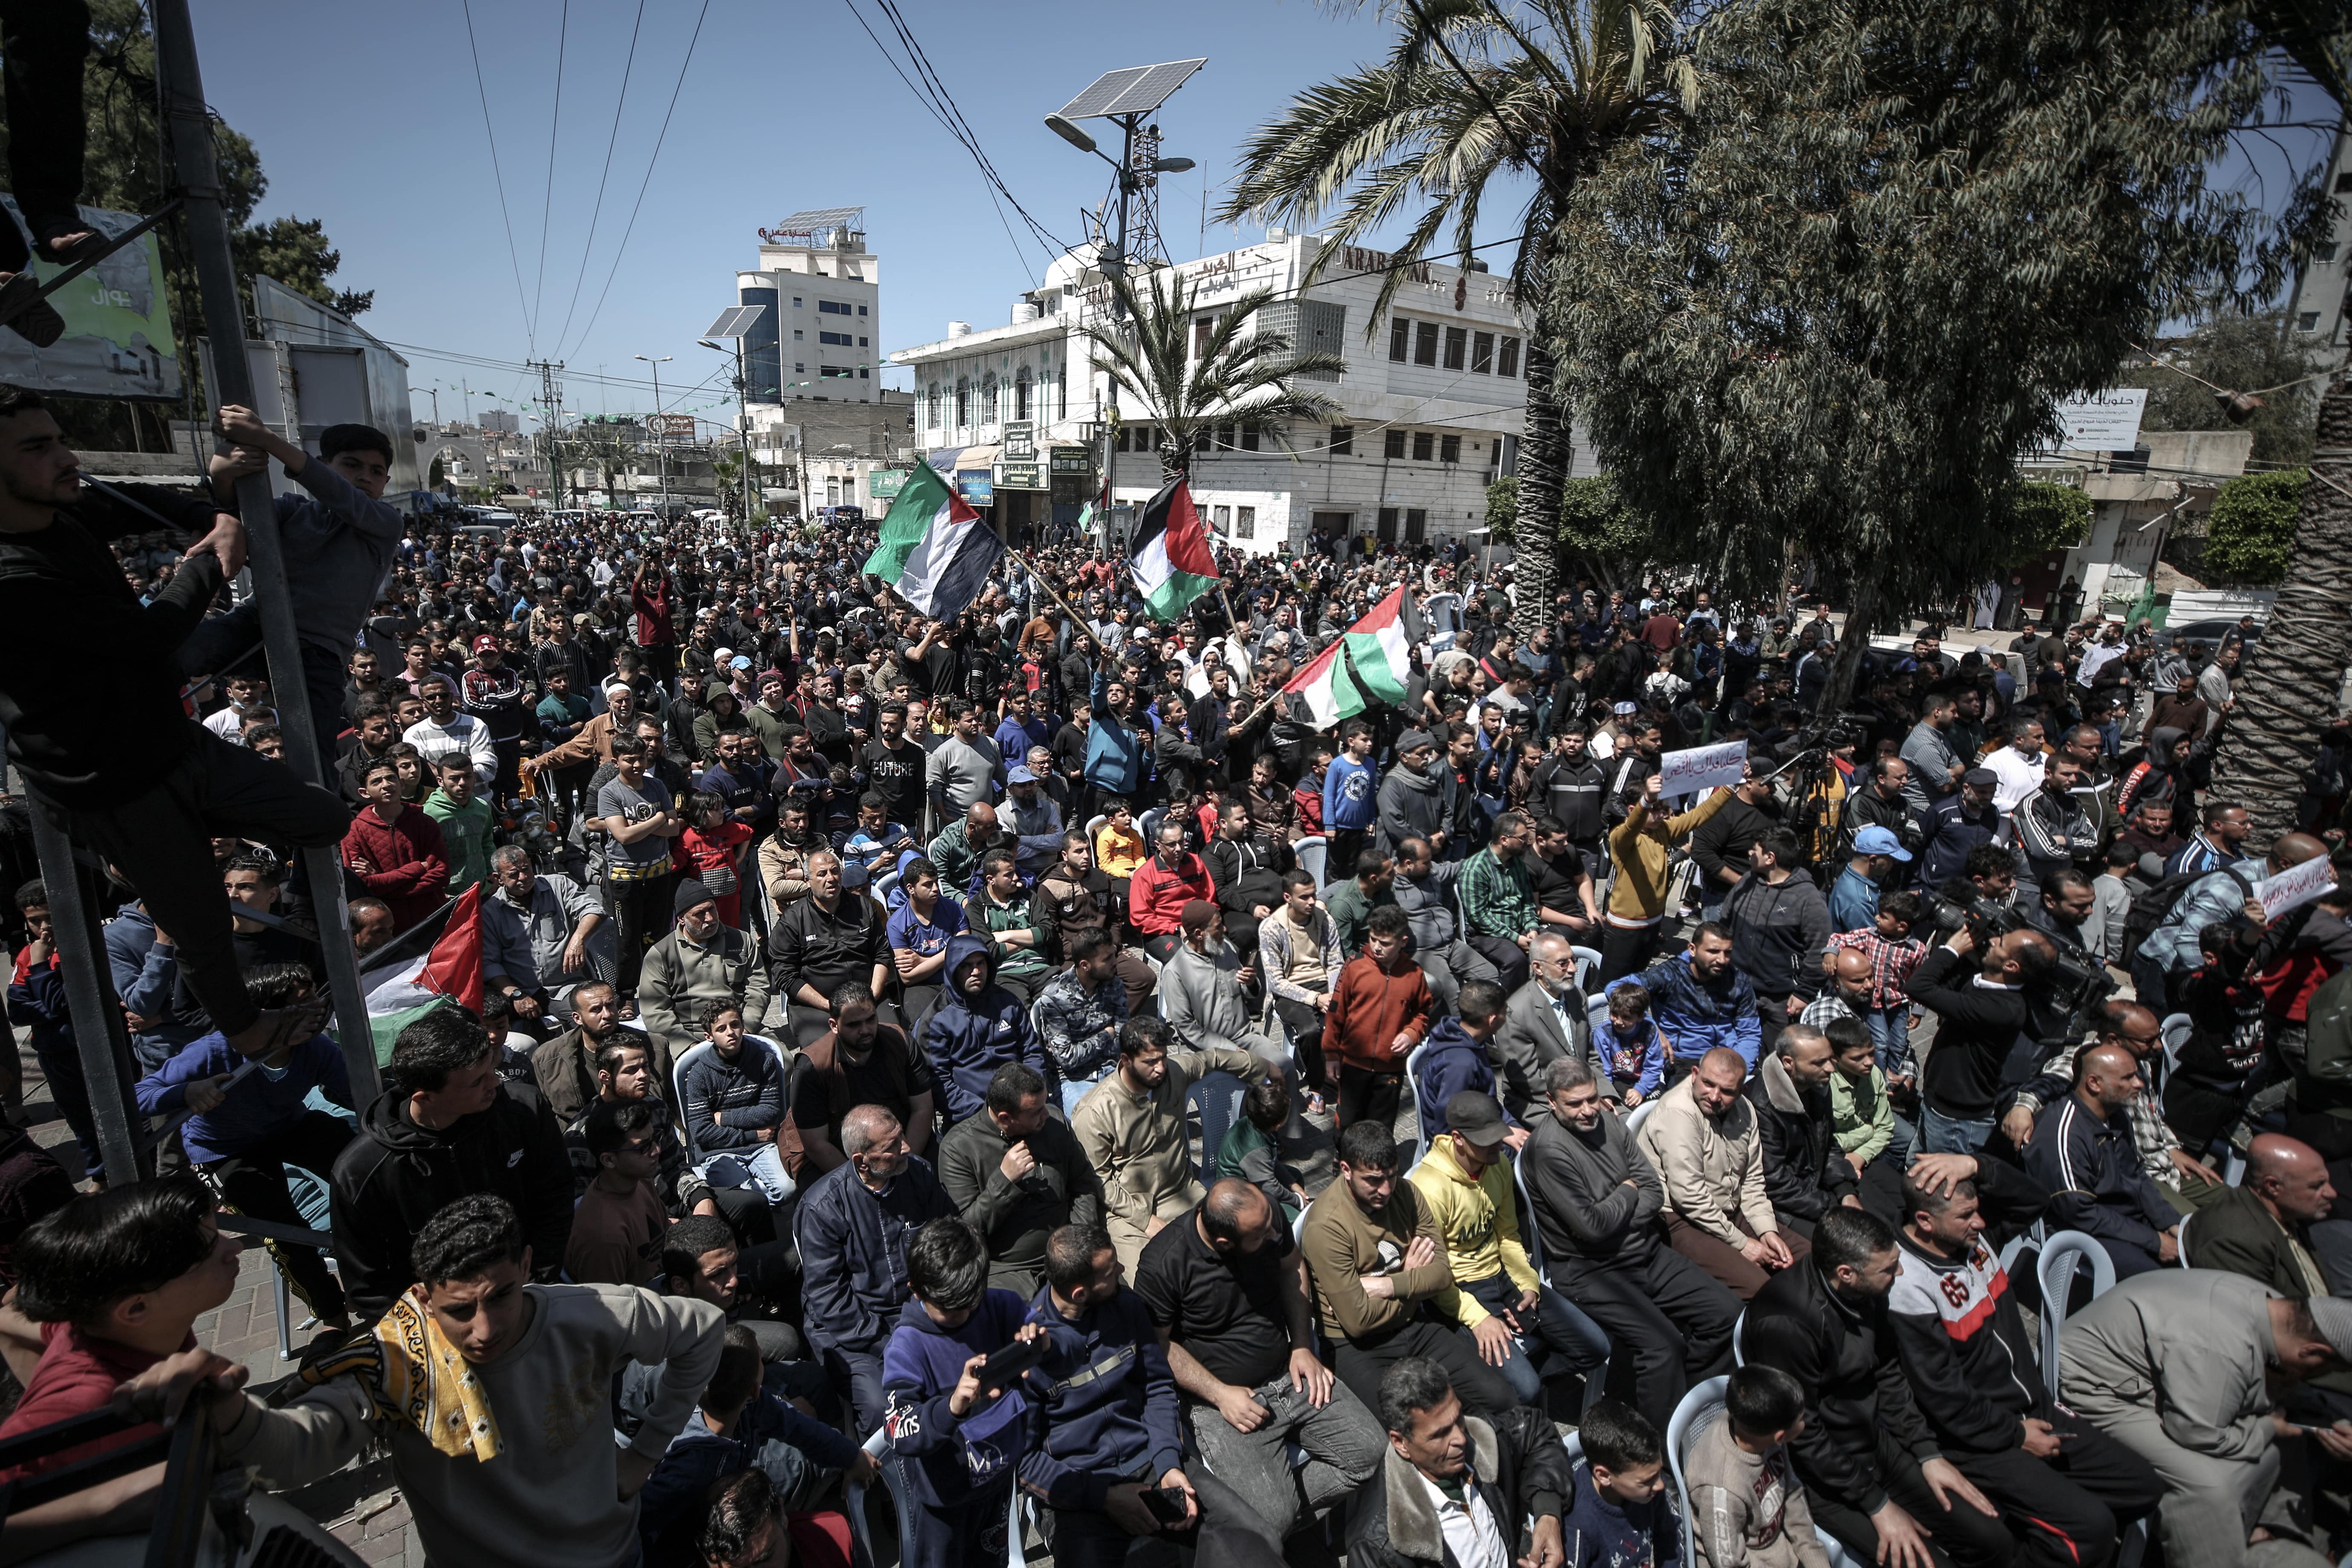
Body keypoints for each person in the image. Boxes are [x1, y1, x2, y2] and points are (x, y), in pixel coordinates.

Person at [0, 388, 349, 1065]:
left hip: (172, 742)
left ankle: (188, 856)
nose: (67, 457)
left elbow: (140, 502)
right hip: (111, 782)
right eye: (37, 448)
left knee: (322, 818)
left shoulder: (66, 506)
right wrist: (208, 557)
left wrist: (212, 512)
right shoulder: (11, 578)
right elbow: (148, 636)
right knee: (200, 926)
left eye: (59, 438)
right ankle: (248, 1029)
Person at [131, 1195, 726, 1568]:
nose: (484, 1328)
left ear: (525, 1266)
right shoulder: (395, 1361)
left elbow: (701, 1331)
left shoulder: (592, 1312)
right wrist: (233, 1410)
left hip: (609, 1553)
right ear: (422, 1295)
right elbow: (295, 1452)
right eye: (460, 1310)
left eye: (501, 1297)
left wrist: (645, 1454)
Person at [1887, 1157, 2165, 1568]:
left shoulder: (1970, 1238)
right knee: (2089, 1529)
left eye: (1978, 1210)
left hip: (2033, 1406)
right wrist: (2016, 1435)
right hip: (1979, 1439)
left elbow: (2034, 1200)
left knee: (2140, 1487)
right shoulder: (1907, 1286)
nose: (1980, 1223)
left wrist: (1976, 1165)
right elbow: (1946, 1401)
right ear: (1926, 1222)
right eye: (1966, 1215)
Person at [1746, 1208, 2007, 1568]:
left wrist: (1927, 1453)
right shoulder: (1788, 1326)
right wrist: (1876, 1503)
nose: (1899, 1274)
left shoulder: (1867, 1288)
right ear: (1846, 1274)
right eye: (1888, 1269)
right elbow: (1803, 1435)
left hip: (1872, 1442)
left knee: (1991, 1538)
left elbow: (1887, 1371)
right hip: (1821, 1478)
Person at [1134, 1178, 1386, 1543]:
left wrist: (1302, 1345)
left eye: (1272, 1222)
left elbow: (1291, 1266)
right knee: (1272, 1519)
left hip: (1289, 1372)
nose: (1273, 1233)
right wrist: (1220, 1394)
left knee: (1370, 1453)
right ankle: (1262, 1525)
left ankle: (1258, 1523)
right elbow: (1157, 1345)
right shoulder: (1165, 1263)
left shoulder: (1264, 1214)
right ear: (1225, 1243)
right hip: (1222, 1403)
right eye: (1260, 1234)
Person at [1021, 1222, 1281, 1567]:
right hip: (1082, 1492)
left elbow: (1157, 1388)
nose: (1123, 1272)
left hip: (1151, 1462)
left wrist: (1168, 1466)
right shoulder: (1027, 1350)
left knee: (1258, 1540)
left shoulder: (1127, 1308)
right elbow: (1023, 1461)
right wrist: (1104, 1498)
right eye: (1112, 1272)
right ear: (1081, 1293)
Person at [2059, 1269, 2352, 1568]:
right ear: (2312, 1351)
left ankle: (2259, 1536)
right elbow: (2197, 1435)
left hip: (2143, 1381)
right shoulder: (2221, 1343)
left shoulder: (2274, 1307)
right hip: (2092, 1387)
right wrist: (2265, 1427)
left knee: (2284, 1441)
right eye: (2321, 1370)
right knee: (2207, 1488)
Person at [131, 960, 356, 1333]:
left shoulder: (315, 1048)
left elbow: (354, 1090)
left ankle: (385, 1266)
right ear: (266, 1015)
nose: (317, 1009)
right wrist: (186, 1092)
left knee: (361, 1170)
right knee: (284, 1230)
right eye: (303, 1003)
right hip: (224, 1150)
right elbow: (139, 1095)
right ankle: (333, 1316)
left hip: (288, 1126)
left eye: (316, 997)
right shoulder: (212, 1051)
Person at [1524, 1056, 1740, 1434]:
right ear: (1551, 1102)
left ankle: (1690, 1403)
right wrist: (1626, 1191)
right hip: (1589, 1270)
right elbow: (1591, 1229)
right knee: (1662, 1346)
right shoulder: (1549, 1150)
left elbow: (1653, 1190)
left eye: (1591, 1098)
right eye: (1574, 1104)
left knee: (1725, 1312)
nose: (1588, 1110)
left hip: (1639, 1248)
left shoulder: (1609, 1120)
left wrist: (1616, 1211)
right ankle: (1662, 1443)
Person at [0, 1177, 244, 1499]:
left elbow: (6, 1314)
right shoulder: (82, 1405)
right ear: (136, 1307)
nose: (235, 1247)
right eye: (208, 1249)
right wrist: (104, 1508)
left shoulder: (100, 1328)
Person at [329, 1006, 574, 1318]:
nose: (495, 1083)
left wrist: (533, 1283)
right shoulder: (362, 1171)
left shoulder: (524, 1111)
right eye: (476, 1082)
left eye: (490, 1069)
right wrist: (445, 1326)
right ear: (424, 1098)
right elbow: (369, 1287)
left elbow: (555, 1197)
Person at [1301, 1118, 1521, 1418]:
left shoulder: (1407, 1193)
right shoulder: (1326, 1226)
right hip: (1357, 1347)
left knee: (1501, 1398)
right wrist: (1414, 1281)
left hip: (1413, 1324)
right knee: (1410, 1423)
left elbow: (1442, 1275)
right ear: (1345, 1170)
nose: (1386, 1189)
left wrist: (1391, 1284)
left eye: (1391, 1176)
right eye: (1373, 1180)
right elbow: (1358, 1321)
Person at [1409, 1090, 1612, 1407]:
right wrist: (1477, 1319)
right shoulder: (1428, 1189)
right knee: (1525, 1390)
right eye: (1485, 1139)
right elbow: (1433, 1274)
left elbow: (1507, 1235)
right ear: (1458, 1138)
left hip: (1502, 1277)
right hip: (1458, 1292)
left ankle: (1514, 1383)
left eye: (1497, 1135)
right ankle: (1504, 1392)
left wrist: (1528, 1284)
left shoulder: (1498, 1163)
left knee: (1595, 1346)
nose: (1497, 1144)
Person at [793, 1103, 956, 1437]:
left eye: (901, 1138)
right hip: (853, 1333)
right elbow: (829, 1300)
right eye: (892, 1146)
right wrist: (889, 1341)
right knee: (884, 1409)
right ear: (861, 1161)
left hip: (916, 1312)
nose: (906, 1148)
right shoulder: (823, 1208)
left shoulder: (918, 1174)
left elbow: (949, 1239)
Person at [880, 1218, 1036, 1568]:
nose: (964, 1315)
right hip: (942, 1504)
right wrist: (951, 1407)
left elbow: (1052, 1333)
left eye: (971, 1304)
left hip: (996, 1486)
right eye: (949, 1310)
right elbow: (897, 1430)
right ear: (916, 1290)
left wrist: (1041, 1341)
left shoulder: (999, 1307)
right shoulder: (907, 1346)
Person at [1073, 1016, 1271, 1273]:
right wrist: (1146, 1221)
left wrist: (1265, 1067)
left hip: (1184, 1192)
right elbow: (1100, 1183)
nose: (1160, 1068)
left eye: (1163, 1058)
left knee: (1241, 1248)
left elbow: (1212, 1059)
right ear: (1126, 1060)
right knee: (1151, 1278)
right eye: (1150, 1062)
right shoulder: (1095, 1113)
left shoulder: (1174, 1073)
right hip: (1129, 1213)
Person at [1341, 1355, 1571, 1568]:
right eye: (1440, 1434)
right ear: (1401, 1443)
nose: (1461, 1438)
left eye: (1458, 1417)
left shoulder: (1485, 1437)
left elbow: (1536, 1433)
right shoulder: (1377, 1547)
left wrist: (1548, 1514)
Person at [1638, 1046, 1808, 1300]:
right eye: (1708, 1084)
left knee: (1811, 1261)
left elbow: (1751, 1180)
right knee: (1763, 1290)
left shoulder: (1746, 1111)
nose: (1714, 1096)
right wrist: (1743, 1244)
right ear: (1695, 1074)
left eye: (1727, 1091)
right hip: (1679, 1219)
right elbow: (1690, 1198)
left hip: (1732, 1208)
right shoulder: (1679, 1113)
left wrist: (1767, 1231)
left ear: (1742, 1091)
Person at [937, 1063, 1100, 1297]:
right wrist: (1004, 1182)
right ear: (1006, 1118)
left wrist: (1078, 1239)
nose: (1047, 1114)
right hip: (1007, 1271)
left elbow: (1083, 1183)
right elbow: (964, 1231)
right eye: (1036, 1112)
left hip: (1068, 1251)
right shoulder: (959, 1149)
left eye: (1045, 1104)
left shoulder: (1054, 1123)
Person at [2022, 1044, 2180, 1277]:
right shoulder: (2065, 1136)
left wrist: (2170, 1222)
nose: (2139, 1084)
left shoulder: (2115, 1115)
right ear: (2094, 1083)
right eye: (2128, 1078)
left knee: (2198, 1246)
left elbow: (2136, 1174)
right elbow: (2080, 1212)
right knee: (2158, 1280)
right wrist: (2155, 1241)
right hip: (2080, 1232)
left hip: (2119, 1215)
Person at [1904, 922, 2054, 1153]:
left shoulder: (2001, 1008)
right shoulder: (1986, 984)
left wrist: (1952, 949)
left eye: (2001, 944)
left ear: (2011, 966)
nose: (1993, 941)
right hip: (1937, 1107)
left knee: (1935, 1187)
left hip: (1955, 1124)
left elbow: (1918, 987)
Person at [1680, 1364, 1833, 1568]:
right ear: (1781, 1436)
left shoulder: (1760, 1432)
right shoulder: (1721, 1489)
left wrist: (1816, 1560)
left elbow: (1793, 1496)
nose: (1807, 1422)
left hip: (1781, 1549)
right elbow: (1729, 1562)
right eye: (1802, 1419)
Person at [783, 984, 935, 1179]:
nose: (865, 1030)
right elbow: (816, 1145)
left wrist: (907, 1162)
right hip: (835, 1152)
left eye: (871, 1020)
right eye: (854, 1025)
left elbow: (922, 1109)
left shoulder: (901, 1042)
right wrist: (864, 1183)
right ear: (834, 1026)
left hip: (895, 1142)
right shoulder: (812, 1067)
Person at [640, 881, 772, 1085]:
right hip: (691, 1034)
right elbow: (655, 1012)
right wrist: (689, 1046)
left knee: (784, 1062)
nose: (710, 918)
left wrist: (746, 1027)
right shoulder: (660, 955)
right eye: (700, 914)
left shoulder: (742, 941)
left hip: (740, 1027)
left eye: (712, 909)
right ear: (682, 919)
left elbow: (759, 988)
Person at [1744, 1023, 1861, 1238]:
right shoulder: (1764, 1107)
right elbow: (1775, 1182)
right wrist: (1829, 1208)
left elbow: (1827, 1144)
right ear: (1789, 1063)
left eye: (1830, 1059)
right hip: (1785, 1205)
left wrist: (1845, 1192)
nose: (1831, 1069)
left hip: (1815, 1189)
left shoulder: (1816, 1083)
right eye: (1819, 1063)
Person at [1326, 904, 1436, 1131]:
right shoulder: (1355, 966)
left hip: (1391, 1069)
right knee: (1347, 1123)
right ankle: (1343, 1162)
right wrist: (1331, 1055)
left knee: (1381, 1127)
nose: (1376, 947)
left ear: (1403, 942)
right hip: (1353, 1065)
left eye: (1385, 943)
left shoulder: (1415, 975)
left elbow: (1422, 1013)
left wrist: (1411, 1033)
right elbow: (1337, 1012)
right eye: (1373, 939)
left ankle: (1375, 1167)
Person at [768, 850, 891, 1048]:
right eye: (822, 874)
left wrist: (873, 994)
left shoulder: (863, 907)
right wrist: (829, 1005)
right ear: (807, 880)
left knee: (893, 1040)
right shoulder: (792, 920)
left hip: (867, 996)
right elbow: (785, 975)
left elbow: (882, 953)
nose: (831, 878)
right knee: (822, 1054)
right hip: (818, 1006)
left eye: (835, 872)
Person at [1722, 828, 1832, 1049]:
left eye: (1755, 850)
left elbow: (1819, 950)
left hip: (1781, 1001)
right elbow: (1724, 923)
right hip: (1737, 991)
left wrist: (1804, 993)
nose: (1750, 853)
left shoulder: (1808, 899)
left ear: (1771, 858)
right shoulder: (1747, 881)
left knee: (1777, 1059)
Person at [681, 1002, 793, 1207]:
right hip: (719, 1152)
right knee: (747, 1198)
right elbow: (701, 1132)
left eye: (735, 1025)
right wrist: (751, 1135)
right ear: (709, 1036)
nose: (731, 1033)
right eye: (721, 1029)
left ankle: (762, 1212)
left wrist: (724, 1118)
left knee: (788, 1189)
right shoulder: (699, 1074)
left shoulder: (763, 1061)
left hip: (761, 1147)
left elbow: (770, 1112)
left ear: (743, 1026)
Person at [599, 734, 684, 1002]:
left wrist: (641, 828)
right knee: (627, 940)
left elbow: (675, 829)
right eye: (629, 760)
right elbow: (622, 836)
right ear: (616, 762)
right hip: (626, 879)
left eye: (642, 758)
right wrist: (658, 819)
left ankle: (657, 988)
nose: (637, 765)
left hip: (659, 874)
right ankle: (625, 994)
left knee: (657, 936)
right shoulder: (609, 793)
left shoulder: (656, 785)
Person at [1622, 922, 1763, 1071]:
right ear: (1693, 950)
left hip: (1729, 1059)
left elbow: (1750, 1033)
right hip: (1684, 1059)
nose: (1722, 960)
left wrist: (1742, 1067)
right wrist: (1649, 1026)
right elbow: (1619, 988)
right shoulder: (1669, 975)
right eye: (1713, 952)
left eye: (1727, 953)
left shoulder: (1738, 980)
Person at [1494, 931, 1601, 1123]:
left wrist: (1605, 1094)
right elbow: (1528, 1081)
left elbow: (1590, 1055)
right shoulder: (1516, 1014)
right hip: (1540, 1102)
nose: (1574, 969)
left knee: (1627, 1123)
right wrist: (1578, 1101)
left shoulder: (1578, 996)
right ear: (1538, 968)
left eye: (1573, 961)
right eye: (1563, 963)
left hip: (1584, 1093)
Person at [1561, 1399, 1678, 1568]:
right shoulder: (1578, 1526)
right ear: (1604, 1476)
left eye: (1659, 1473)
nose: (1660, 1485)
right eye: (1647, 1481)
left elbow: (1670, 1541)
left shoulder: (1650, 1492)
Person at [567, 1099, 669, 1287]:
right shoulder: (603, 1239)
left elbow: (666, 1236)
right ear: (609, 1160)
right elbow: (612, 1310)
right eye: (643, 1148)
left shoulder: (642, 1180)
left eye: (655, 1139)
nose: (657, 1150)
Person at [342, 755, 451, 932]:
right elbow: (363, 886)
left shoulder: (425, 823)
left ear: (401, 784)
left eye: (391, 778)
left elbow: (441, 875)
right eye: (377, 781)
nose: (386, 785)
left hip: (432, 920)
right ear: (364, 792)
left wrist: (385, 887)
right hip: (385, 930)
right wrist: (417, 868)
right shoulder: (355, 832)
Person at [1457, 809, 1541, 994]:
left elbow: (1527, 901)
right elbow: (1478, 917)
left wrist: (1532, 928)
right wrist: (1516, 938)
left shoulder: (1517, 863)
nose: (1528, 842)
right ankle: (1510, 1009)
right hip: (1486, 933)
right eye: (1523, 838)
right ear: (1504, 840)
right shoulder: (1476, 869)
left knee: (1554, 946)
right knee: (1516, 960)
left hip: (1517, 928)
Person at [1129, 818, 1219, 964]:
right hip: (1162, 932)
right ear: (1158, 845)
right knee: (1186, 962)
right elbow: (1140, 917)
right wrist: (1176, 929)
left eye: (1181, 842)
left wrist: (1208, 920)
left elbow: (1209, 897)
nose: (1178, 848)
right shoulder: (1145, 874)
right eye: (1171, 844)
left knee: (1227, 952)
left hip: (1197, 925)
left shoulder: (1196, 862)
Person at [422, 752, 494, 895]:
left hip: (482, 891)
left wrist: (492, 874)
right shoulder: (428, 814)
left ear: (474, 777)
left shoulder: (482, 807)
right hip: (448, 897)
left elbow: (487, 843)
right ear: (440, 781)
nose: (462, 783)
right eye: (454, 779)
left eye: (467, 777)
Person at [1827, 825, 1911, 933]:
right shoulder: (1859, 901)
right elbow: (1871, 943)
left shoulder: (1856, 874)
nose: (1895, 864)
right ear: (1873, 860)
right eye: (1892, 860)